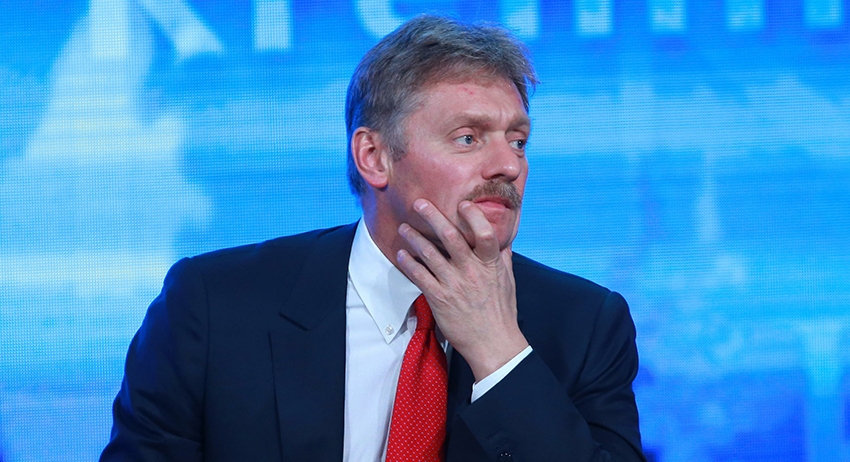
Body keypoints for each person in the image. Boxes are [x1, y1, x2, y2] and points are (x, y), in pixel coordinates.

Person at [101, 14, 645, 462]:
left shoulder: (585, 326)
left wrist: (498, 353)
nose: (508, 164)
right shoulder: (214, 305)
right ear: (374, 157)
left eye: (518, 140)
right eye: (468, 137)